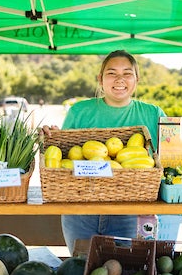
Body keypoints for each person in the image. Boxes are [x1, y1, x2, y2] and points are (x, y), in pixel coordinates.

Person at [42, 50, 166, 254]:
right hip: (79, 211)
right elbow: (64, 154)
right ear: (100, 79)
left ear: (137, 79)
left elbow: (171, 154)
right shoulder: (79, 111)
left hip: (131, 212)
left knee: (126, 273)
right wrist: (52, 138)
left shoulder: (153, 114)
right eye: (111, 73)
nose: (120, 79)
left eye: (127, 73)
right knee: (81, 272)